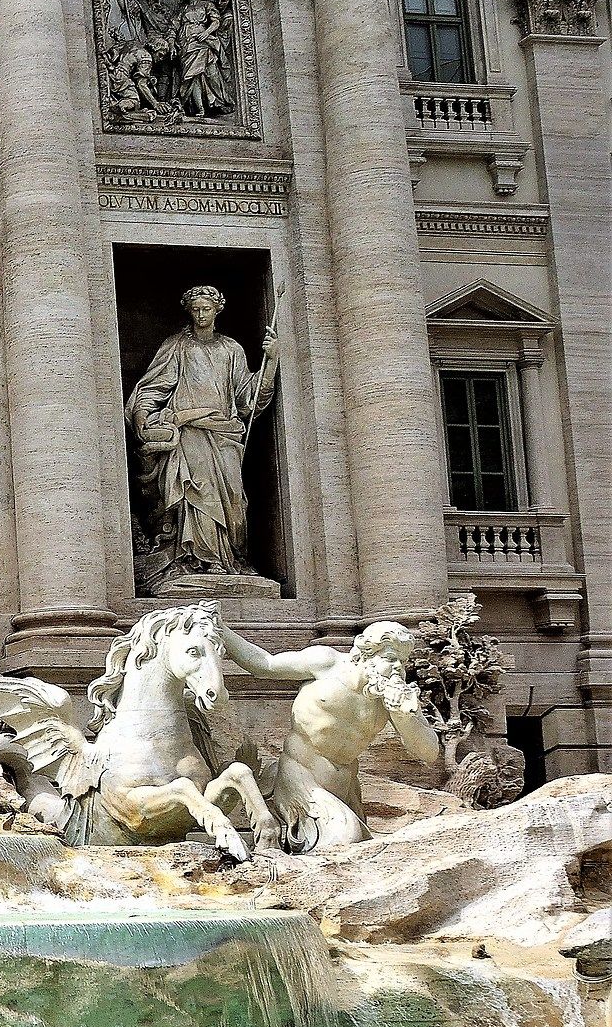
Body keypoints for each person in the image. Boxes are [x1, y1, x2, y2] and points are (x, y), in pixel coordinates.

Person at [220, 621, 442, 852]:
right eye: (390, 658)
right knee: (345, 838)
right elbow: (264, 664)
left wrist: (405, 716)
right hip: (300, 775)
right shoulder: (327, 663)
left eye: (402, 661)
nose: (398, 667)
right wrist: (220, 629)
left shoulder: (393, 697)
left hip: (346, 785)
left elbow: (429, 752)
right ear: (367, 654)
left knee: (363, 850)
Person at [126, 284, 277, 591]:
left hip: (224, 435)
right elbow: (152, 389)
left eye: (206, 309)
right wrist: (143, 416)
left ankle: (230, 557)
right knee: (195, 494)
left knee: (233, 499)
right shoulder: (177, 346)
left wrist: (271, 361)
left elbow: (249, 398)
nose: (200, 314)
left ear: (217, 310)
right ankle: (196, 559)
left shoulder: (231, 350)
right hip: (189, 435)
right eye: (195, 309)